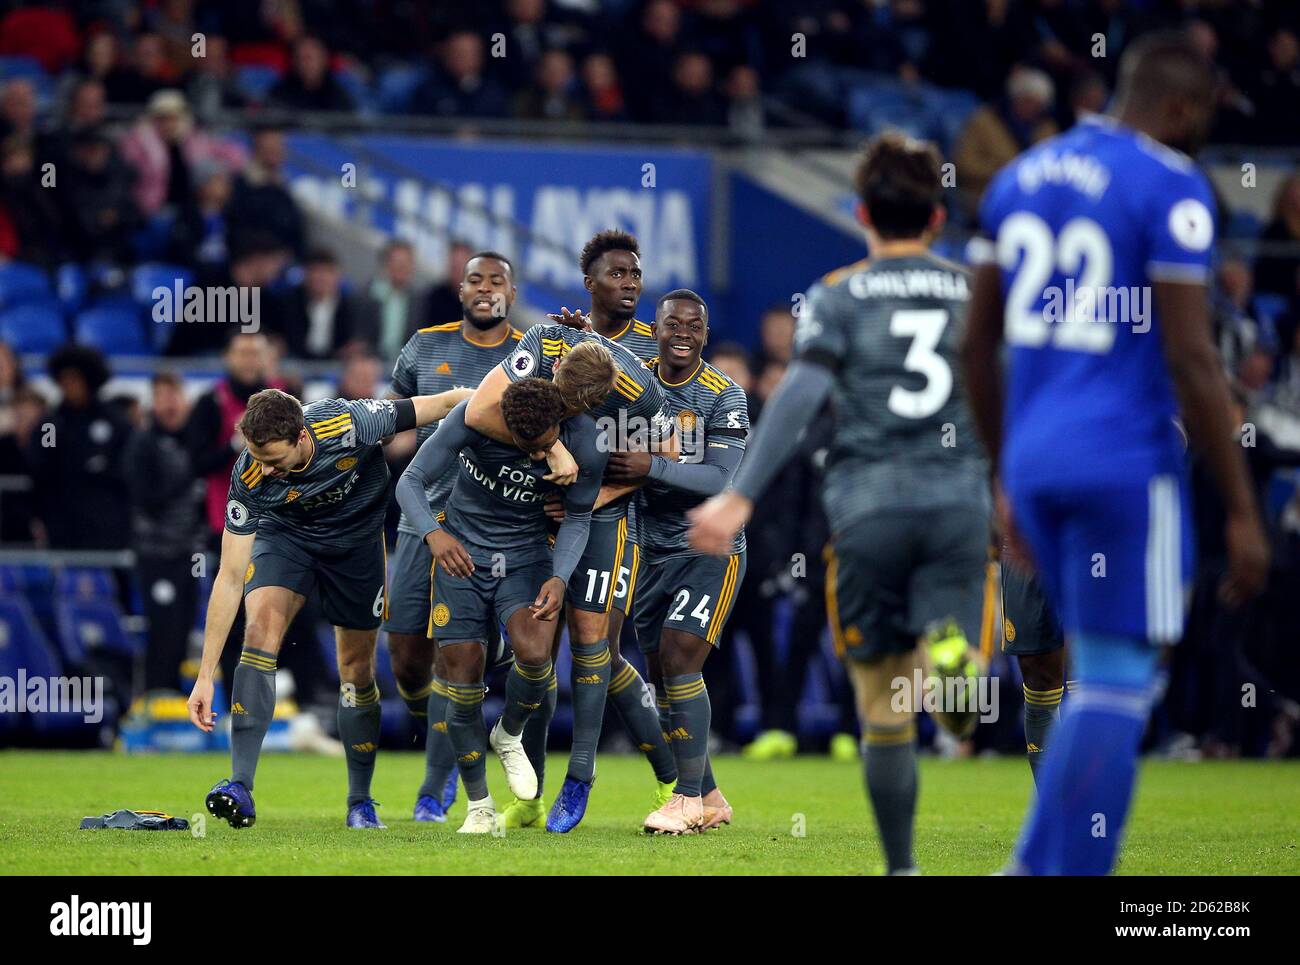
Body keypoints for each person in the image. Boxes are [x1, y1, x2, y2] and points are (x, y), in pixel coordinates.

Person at [960, 31, 1269, 874]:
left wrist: (1004, 475)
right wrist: (1243, 509)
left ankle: (1032, 865)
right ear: (1180, 106)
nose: (1206, 132)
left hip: (1034, 458)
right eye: (1206, 114)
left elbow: (974, 345)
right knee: (1117, 678)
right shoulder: (1172, 185)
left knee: (1082, 676)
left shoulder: (1020, 177)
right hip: (1124, 461)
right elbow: (1194, 359)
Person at [689, 132, 991, 875]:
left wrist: (739, 496)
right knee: (954, 688)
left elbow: (799, 394)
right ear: (937, 217)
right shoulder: (978, 291)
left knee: (882, 707)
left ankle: (901, 869)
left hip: (867, 507)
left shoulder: (838, 294)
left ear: (861, 213)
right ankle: (951, 666)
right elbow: (1010, 391)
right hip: (959, 502)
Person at [187, 386, 472, 829]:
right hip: (287, 540)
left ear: (302, 437)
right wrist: (205, 676)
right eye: (258, 458)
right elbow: (228, 578)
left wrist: (515, 410)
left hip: (356, 545)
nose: (266, 470)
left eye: (275, 461)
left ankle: (360, 801)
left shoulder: (353, 422)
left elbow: (451, 401)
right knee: (259, 632)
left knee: (356, 670)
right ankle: (240, 784)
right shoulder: (249, 474)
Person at [463, 309, 678, 832]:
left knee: (591, 641)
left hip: (601, 520)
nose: (563, 403)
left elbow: (671, 450)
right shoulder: (542, 339)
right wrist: (555, 446)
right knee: (538, 644)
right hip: (539, 512)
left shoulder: (637, 386)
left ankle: (582, 777)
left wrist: (598, 492)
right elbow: (477, 409)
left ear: (599, 401)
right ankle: (533, 794)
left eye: (575, 404)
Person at [395, 370, 614, 832]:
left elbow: (577, 517)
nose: (538, 456)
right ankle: (479, 806)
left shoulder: (586, 442)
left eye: (544, 446)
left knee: (536, 657)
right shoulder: (473, 420)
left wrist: (559, 577)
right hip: (461, 558)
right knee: (462, 674)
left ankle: (509, 733)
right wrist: (434, 535)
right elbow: (409, 482)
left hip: (526, 557)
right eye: (527, 446)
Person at [382, 251, 526, 823]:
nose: (485, 288)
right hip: (424, 520)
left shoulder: (531, 352)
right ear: (459, 290)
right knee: (406, 660)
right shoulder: (423, 345)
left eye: (497, 281)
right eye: (475, 280)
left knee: (453, 661)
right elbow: (393, 423)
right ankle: (443, 736)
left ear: (511, 294)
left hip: (492, 526)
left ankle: (436, 786)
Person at [606, 289, 748, 834]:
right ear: (656, 329)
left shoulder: (724, 396)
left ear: (704, 336)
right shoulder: (634, 383)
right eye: (673, 324)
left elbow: (717, 479)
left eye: (694, 325)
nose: (683, 333)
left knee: (681, 657)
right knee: (664, 676)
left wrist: (649, 467)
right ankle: (710, 796)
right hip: (646, 547)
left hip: (709, 549)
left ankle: (684, 799)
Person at [126, 371, 203, 693]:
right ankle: (155, 695)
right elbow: (143, 498)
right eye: (163, 396)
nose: (171, 404)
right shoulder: (142, 444)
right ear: (153, 403)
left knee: (184, 627)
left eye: (176, 395)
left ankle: (173, 696)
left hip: (188, 552)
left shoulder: (194, 440)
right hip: (156, 554)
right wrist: (186, 477)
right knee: (162, 629)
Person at [27, 344, 134, 551]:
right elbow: (39, 466)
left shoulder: (114, 420)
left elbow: (129, 466)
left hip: (108, 522)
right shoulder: (51, 424)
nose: (69, 385)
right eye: (64, 379)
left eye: (75, 378)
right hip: (63, 522)